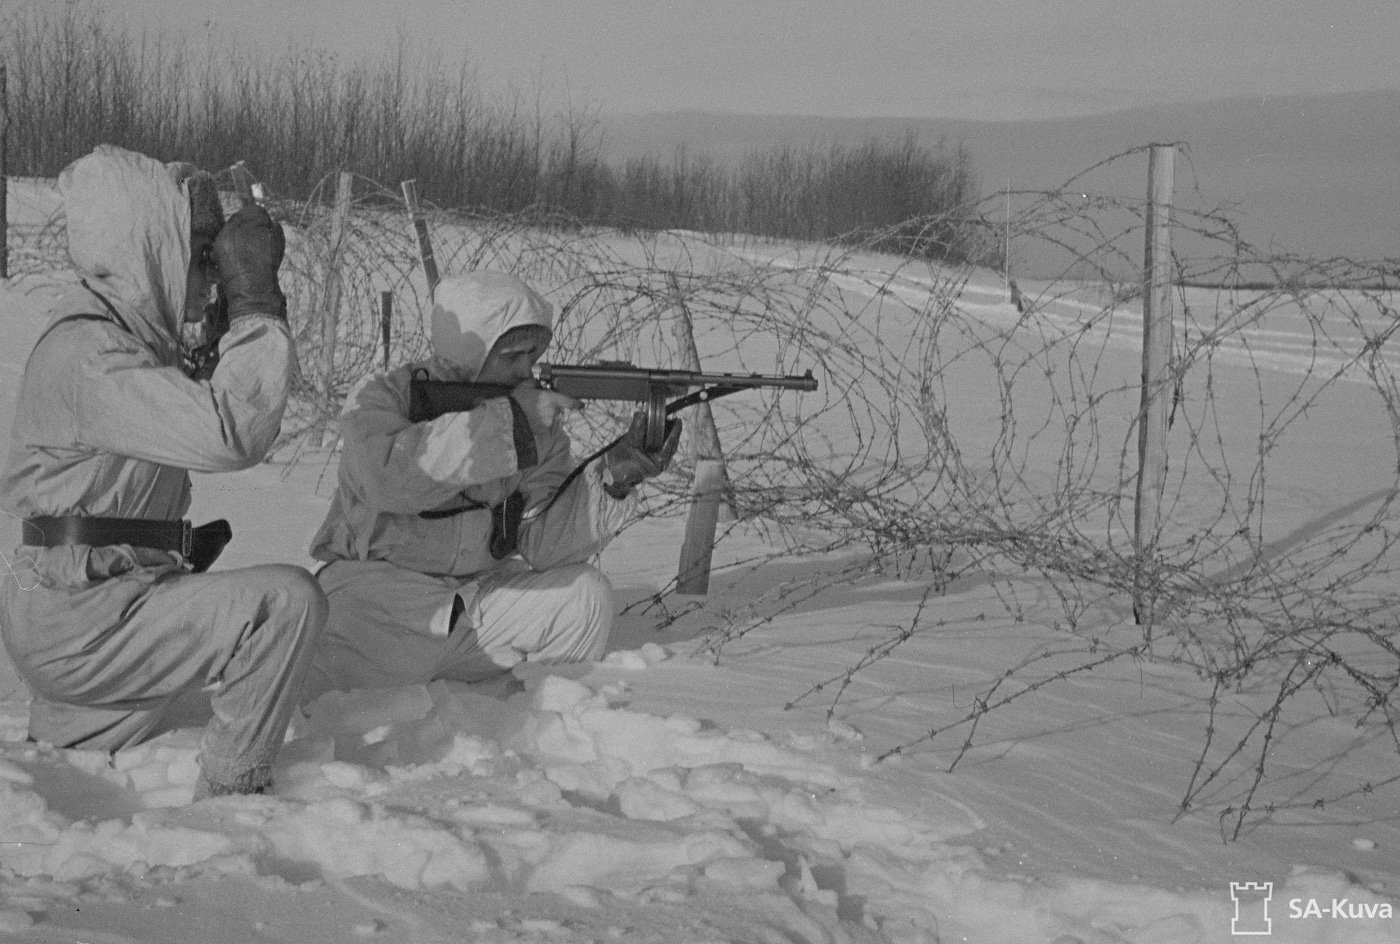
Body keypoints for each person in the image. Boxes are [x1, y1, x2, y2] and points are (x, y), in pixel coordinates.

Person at [0, 144, 327, 798]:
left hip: (90, 606)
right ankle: (235, 796)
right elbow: (232, 431)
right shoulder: (91, 357)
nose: (208, 274)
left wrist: (161, 544)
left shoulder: (122, 345)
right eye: (199, 251)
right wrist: (256, 299)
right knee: (286, 604)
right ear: (151, 249)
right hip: (84, 624)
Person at [302, 270, 680, 700]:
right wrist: (510, 425)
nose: (526, 369)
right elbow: (388, 480)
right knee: (333, 695)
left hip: (475, 601)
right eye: (513, 355)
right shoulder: (382, 397)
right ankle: (448, 695)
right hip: (382, 601)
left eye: (533, 354)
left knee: (586, 597)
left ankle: (498, 711)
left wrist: (615, 479)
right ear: (469, 350)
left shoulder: (534, 420)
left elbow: (544, 546)